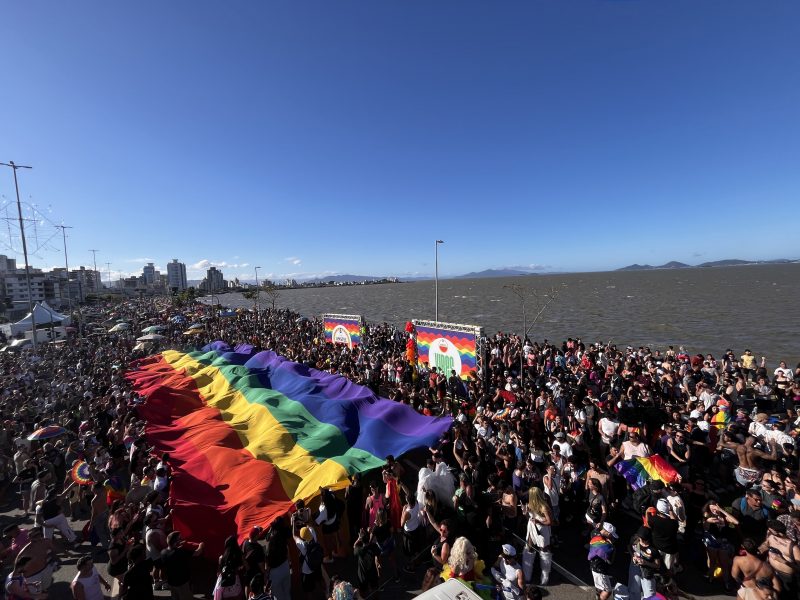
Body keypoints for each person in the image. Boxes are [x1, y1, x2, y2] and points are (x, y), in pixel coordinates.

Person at [758, 520, 799, 599]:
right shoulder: (771, 537)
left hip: (787, 578)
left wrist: (782, 561)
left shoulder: (793, 547)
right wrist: (762, 547)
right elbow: (765, 543)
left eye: (770, 530)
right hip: (772, 572)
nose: (768, 531)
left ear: (776, 532)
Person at [161, 531, 204, 600]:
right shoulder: (181, 552)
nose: (182, 539)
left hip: (171, 582)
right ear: (176, 541)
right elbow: (197, 553)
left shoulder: (163, 552)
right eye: (180, 539)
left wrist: (178, 545)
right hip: (182, 582)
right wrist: (201, 545)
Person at [523, 488, 553, 586]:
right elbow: (529, 518)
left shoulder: (544, 506)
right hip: (532, 528)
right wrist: (525, 513)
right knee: (529, 549)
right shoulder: (529, 504)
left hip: (542, 530)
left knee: (544, 551)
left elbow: (550, 522)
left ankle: (545, 577)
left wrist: (539, 521)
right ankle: (527, 575)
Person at [628, 528, 661, 600]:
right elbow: (629, 547)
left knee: (650, 594)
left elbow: (657, 565)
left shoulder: (654, 549)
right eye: (640, 539)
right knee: (633, 589)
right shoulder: (635, 539)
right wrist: (633, 556)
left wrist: (646, 563)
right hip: (635, 566)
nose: (641, 541)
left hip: (647, 571)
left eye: (643, 540)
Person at [588, 522, 618, 600]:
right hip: (600, 569)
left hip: (593, 565)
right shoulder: (607, 546)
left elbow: (596, 531)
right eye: (611, 534)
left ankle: (598, 596)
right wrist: (612, 547)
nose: (612, 537)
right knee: (608, 591)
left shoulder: (594, 533)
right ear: (607, 532)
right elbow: (610, 561)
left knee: (599, 586)